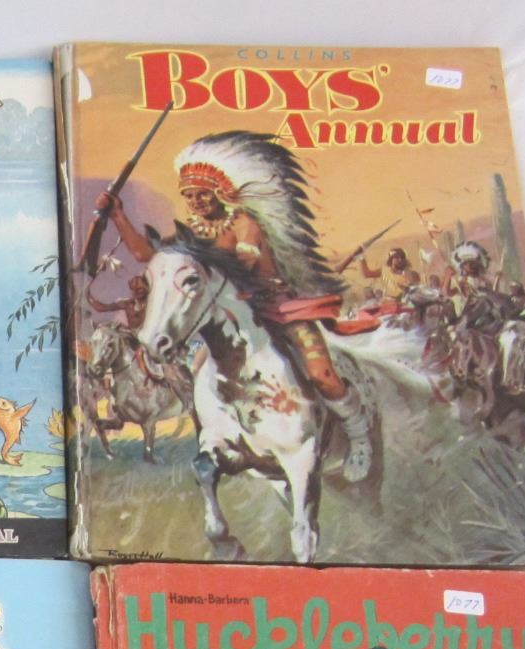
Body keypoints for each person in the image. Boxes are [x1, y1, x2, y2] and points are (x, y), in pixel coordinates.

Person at [102, 131, 380, 482]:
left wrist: (196, 262)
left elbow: (244, 264)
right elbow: (148, 254)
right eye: (189, 195)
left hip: (280, 309)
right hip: (234, 316)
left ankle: (358, 436)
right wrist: (118, 216)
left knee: (322, 373)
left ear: (220, 192)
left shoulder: (244, 223)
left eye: (203, 194)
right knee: (198, 376)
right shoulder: (195, 233)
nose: (196, 201)